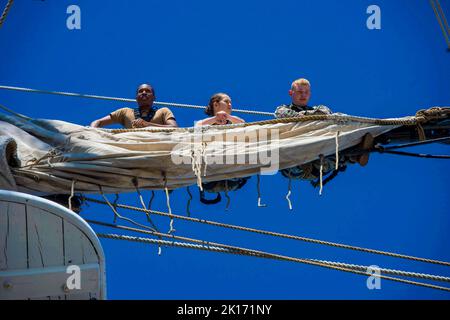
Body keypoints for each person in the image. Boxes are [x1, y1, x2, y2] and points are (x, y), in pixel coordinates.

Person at [90, 83, 178, 129]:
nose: (144, 93)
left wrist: (148, 125)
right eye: (141, 91)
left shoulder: (163, 111)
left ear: (154, 97)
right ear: (136, 98)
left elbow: (175, 128)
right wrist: (92, 131)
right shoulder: (125, 112)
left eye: (147, 91)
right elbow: (98, 122)